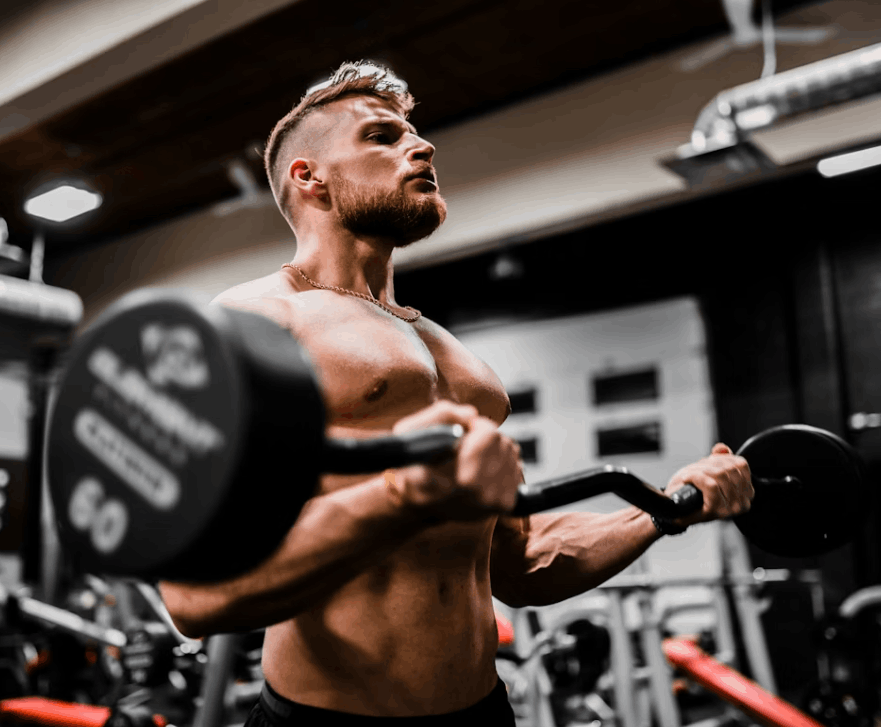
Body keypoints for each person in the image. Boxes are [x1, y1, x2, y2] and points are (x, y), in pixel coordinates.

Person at [157, 61, 754, 724]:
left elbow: (520, 561)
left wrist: (666, 508)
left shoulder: (450, 354)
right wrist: (399, 494)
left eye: (412, 132)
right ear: (309, 176)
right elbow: (195, 597)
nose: (422, 146)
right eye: (382, 136)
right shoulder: (252, 324)